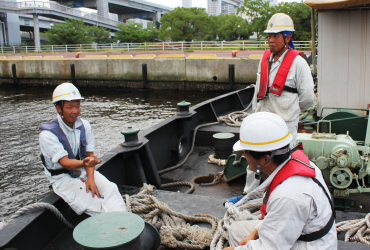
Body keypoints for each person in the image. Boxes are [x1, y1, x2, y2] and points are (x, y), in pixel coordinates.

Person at [223, 112, 337, 250]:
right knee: (235, 231)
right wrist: (256, 232)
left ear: (265, 159)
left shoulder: (288, 196)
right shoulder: (298, 163)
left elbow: (270, 247)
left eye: (246, 152)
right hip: (303, 232)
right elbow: (280, 220)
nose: (243, 156)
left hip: (312, 246)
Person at [244, 13, 315, 194]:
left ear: (287, 38)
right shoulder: (264, 59)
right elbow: (258, 91)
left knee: (283, 164)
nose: (271, 40)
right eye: (269, 36)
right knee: (254, 161)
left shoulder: (299, 63)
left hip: (284, 126)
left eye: (276, 36)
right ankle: (250, 196)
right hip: (261, 122)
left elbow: (307, 98)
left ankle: (279, 197)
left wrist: (292, 114)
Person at [39, 82, 126, 216]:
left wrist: (90, 178)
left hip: (83, 170)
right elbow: (65, 162)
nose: (75, 111)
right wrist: (85, 163)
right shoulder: (47, 135)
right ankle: (113, 227)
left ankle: (124, 223)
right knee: (94, 203)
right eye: (70, 107)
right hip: (63, 178)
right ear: (59, 108)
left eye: (78, 106)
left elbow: (90, 155)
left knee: (111, 189)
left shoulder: (84, 125)